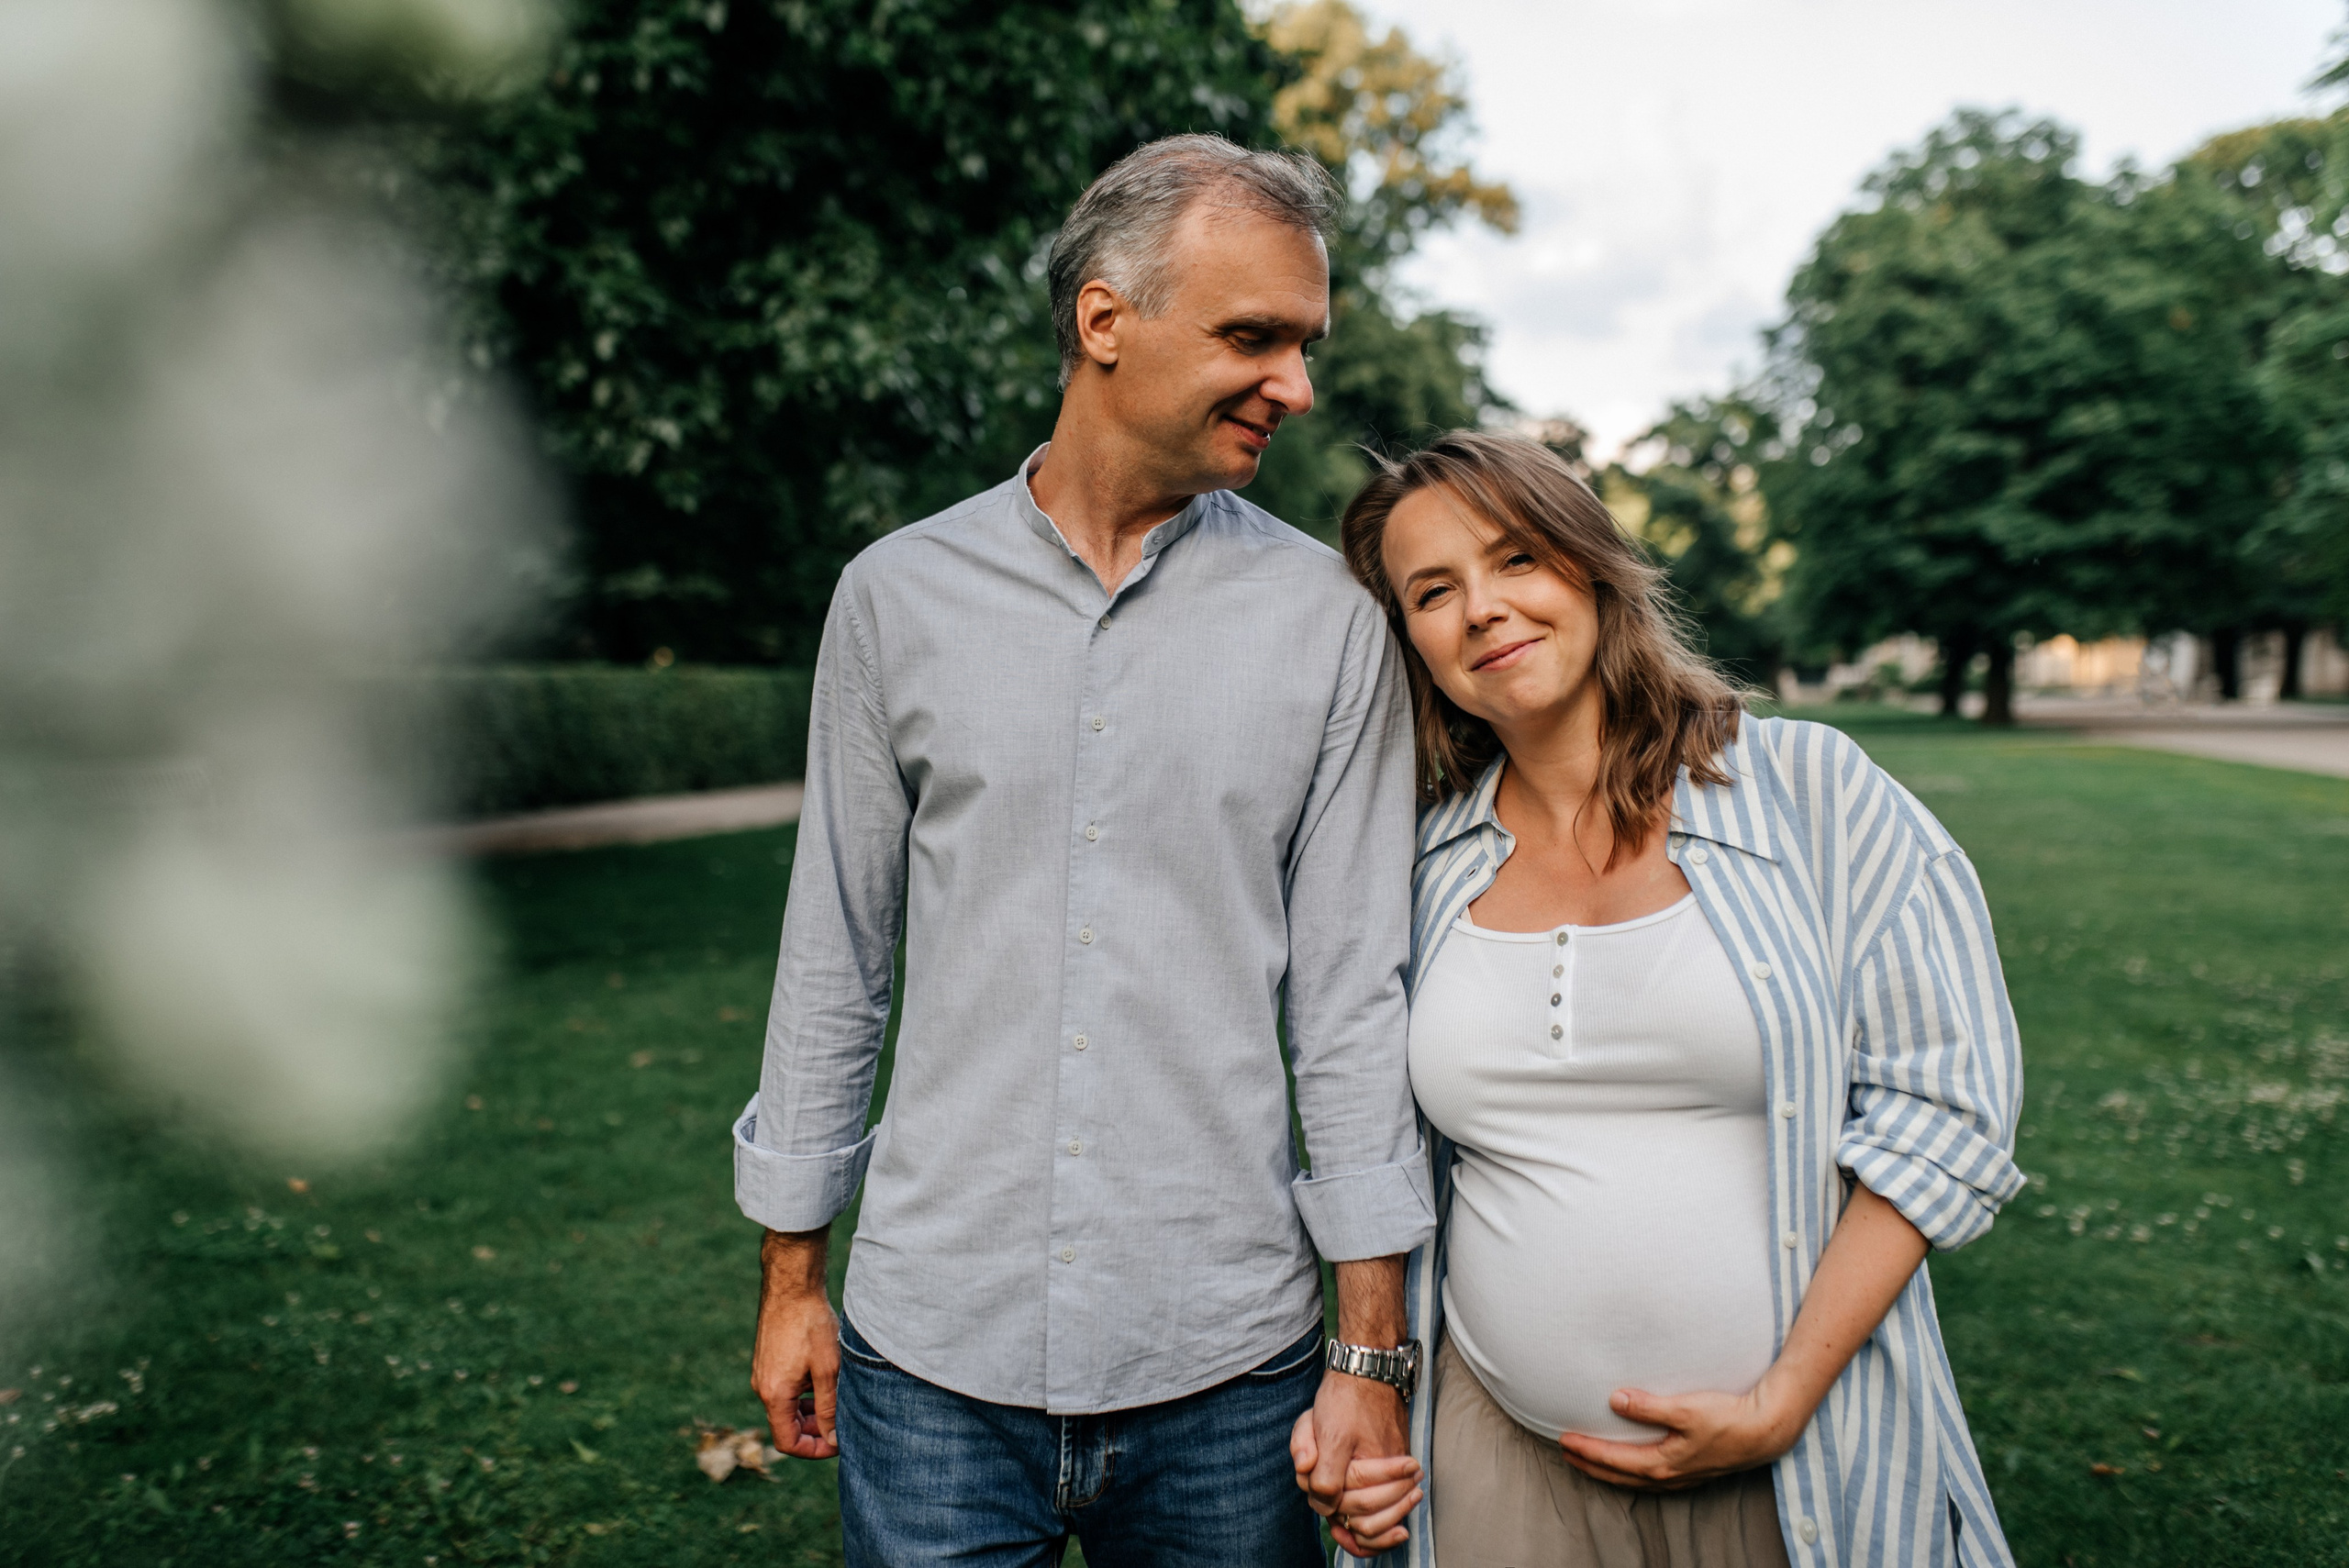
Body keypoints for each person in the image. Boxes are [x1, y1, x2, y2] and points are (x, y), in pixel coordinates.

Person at [731, 134, 1436, 1567]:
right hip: (930, 1354)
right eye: (1255, 336)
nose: (1297, 387)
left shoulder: (1332, 624)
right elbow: (836, 952)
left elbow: (1355, 1002)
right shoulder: (894, 598)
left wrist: (1370, 1353)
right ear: (1104, 320)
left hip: (1227, 1370)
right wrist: (794, 1276)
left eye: (1304, 345)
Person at [1304, 430, 2026, 1567]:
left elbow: (1946, 1111)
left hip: (1798, 1458)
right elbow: (1371, 1134)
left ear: (1590, 569)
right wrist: (1367, 1370)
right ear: (1412, 642)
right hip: (1496, 1463)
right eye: (1432, 591)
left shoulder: (1811, 794)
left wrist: (1785, 1394)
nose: (1483, 609)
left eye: (1516, 560)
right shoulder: (1417, 868)